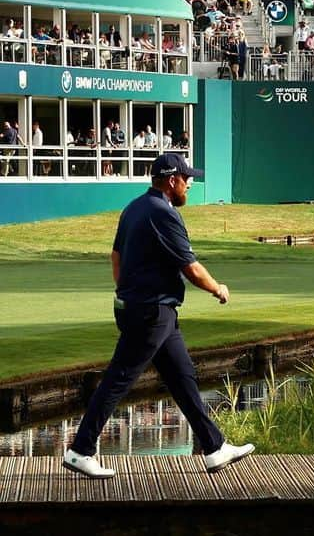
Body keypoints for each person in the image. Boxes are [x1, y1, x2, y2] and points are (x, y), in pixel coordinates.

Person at [62, 152, 254, 479]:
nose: (190, 184)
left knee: (182, 377)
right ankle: (81, 450)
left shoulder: (134, 208)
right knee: (118, 378)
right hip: (152, 311)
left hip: (148, 309)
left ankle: (214, 447)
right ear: (171, 180)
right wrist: (217, 288)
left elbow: (116, 256)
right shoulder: (163, 213)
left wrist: (126, 292)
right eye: (187, 179)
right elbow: (191, 268)